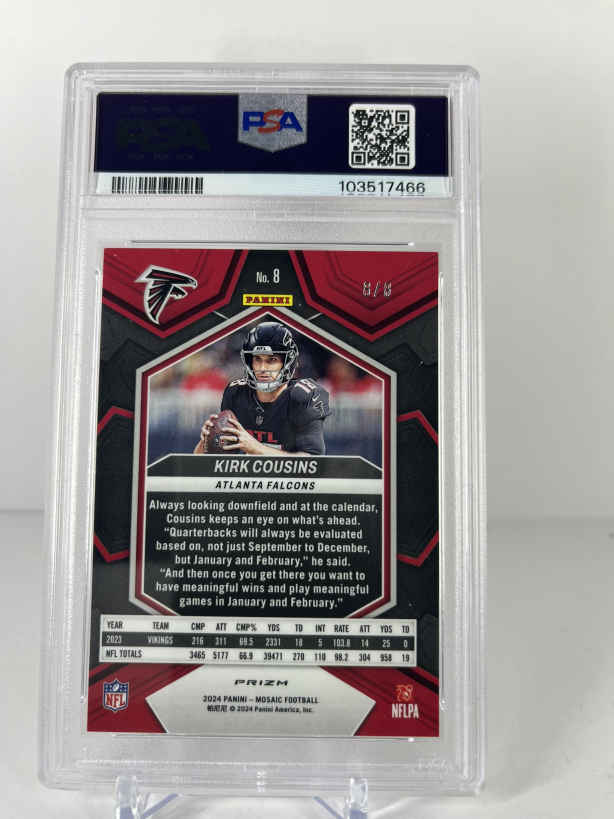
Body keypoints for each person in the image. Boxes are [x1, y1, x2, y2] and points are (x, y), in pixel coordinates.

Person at [194, 322, 330, 456]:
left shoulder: (304, 396)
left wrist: (255, 448)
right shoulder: (236, 392)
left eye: (272, 360)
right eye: (257, 359)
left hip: (287, 472)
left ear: (287, 363)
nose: (262, 368)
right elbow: (203, 460)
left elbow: (312, 462)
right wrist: (207, 441)